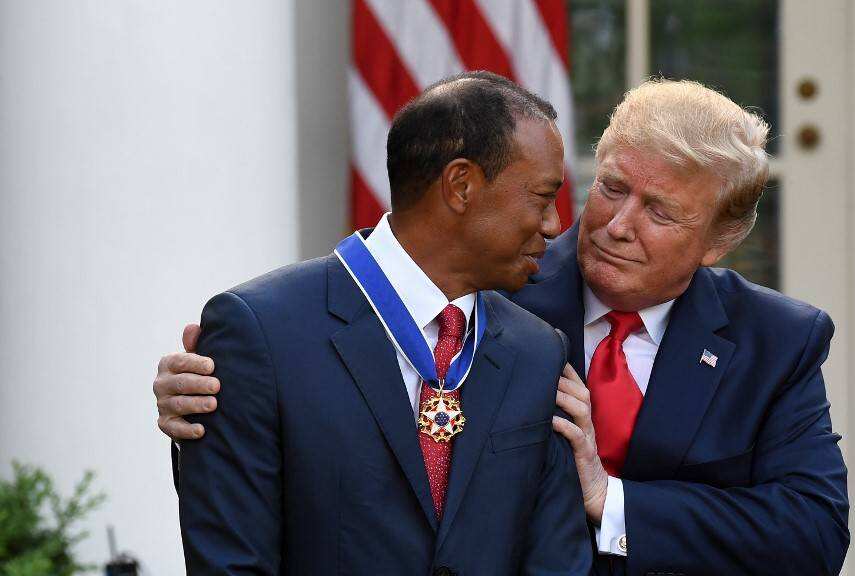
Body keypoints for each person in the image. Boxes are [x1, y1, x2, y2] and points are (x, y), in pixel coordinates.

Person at [157, 79, 850, 575]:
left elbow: (813, 532)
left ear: (720, 240)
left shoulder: (777, 341)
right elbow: (325, 372)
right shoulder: (488, 287)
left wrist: (611, 503)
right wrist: (224, 394)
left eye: (660, 212)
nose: (616, 224)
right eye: (611, 188)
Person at [169, 71, 592, 575]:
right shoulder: (261, 333)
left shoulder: (538, 351)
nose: (555, 225)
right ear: (461, 185)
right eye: (542, 198)